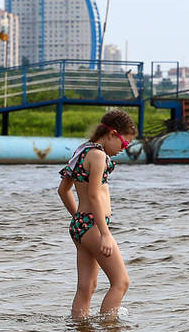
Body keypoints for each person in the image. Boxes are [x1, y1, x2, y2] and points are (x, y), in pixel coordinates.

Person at [57, 109, 137, 320]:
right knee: (121, 282)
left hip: (81, 225)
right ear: (112, 133)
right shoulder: (99, 155)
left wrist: (79, 219)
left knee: (87, 286)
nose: (124, 149)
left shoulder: (82, 151)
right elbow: (93, 196)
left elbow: (63, 190)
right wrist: (104, 233)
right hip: (93, 225)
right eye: (124, 143)